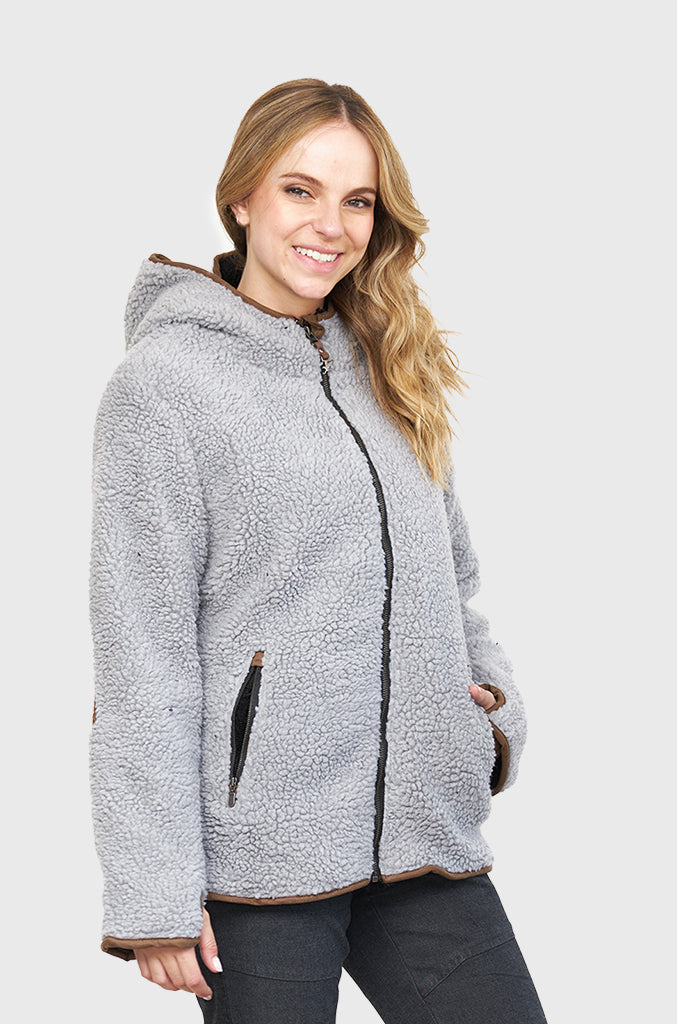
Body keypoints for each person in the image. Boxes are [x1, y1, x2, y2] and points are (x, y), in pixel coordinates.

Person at [88, 78, 548, 1023]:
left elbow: (453, 584)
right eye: (299, 190)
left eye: (357, 200)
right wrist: (153, 894)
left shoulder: (389, 366)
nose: (329, 226)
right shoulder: (164, 385)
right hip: (259, 859)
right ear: (241, 198)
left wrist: (488, 718)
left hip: (422, 836)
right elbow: (141, 650)